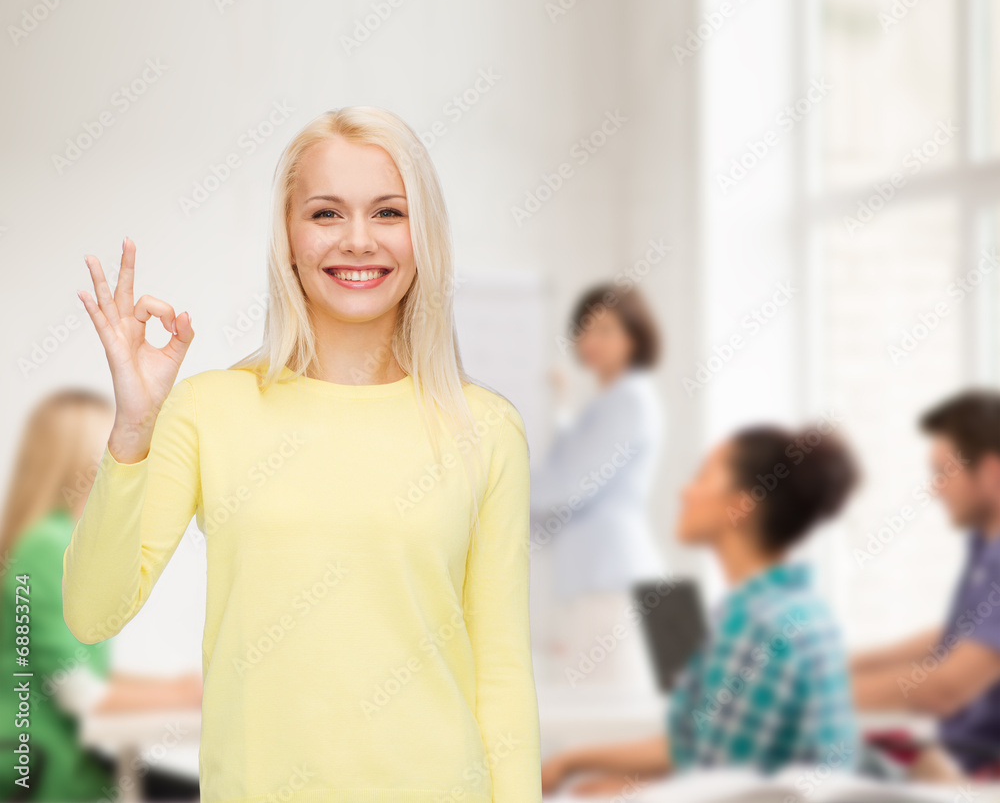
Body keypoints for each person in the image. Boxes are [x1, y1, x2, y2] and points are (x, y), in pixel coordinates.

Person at [63, 106, 542, 803]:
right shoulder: (209, 409)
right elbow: (91, 613)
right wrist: (134, 428)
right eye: (325, 214)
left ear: (424, 236)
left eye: (388, 213)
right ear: (288, 237)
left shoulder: (487, 428)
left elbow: (500, 672)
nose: (357, 241)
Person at [540, 423, 861, 797]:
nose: (685, 491)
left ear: (741, 506)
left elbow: (718, 789)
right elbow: (691, 747)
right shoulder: (799, 608)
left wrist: (614, 791)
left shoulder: (753, 625)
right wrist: (574, 762)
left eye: (704, 477)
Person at [0, 389, 201, 801]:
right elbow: (80, 695)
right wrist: (178, 696)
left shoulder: (46, 542)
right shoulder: (47, 547)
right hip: (42, 774)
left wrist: (173, 690)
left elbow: (70, 670)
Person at [852, 389, 1000, 778]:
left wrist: (811, 696)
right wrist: (844, 663)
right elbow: (960, 638)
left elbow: (946, 689)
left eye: (943, 472)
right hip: (957, 755)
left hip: (980, 769)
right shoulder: (984, 545)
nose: (935, 489)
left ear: (990, 472)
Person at [529, 283, 667, 690]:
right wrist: (559, 406)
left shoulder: (630, 400)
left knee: (599, 726)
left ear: (634, 337)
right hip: (605, 582)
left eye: (605, 330)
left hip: (613, 585)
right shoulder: (612, 401)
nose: (590, 340)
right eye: (583, 330)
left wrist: (484, 485)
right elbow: (571, 467)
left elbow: (567, 485)